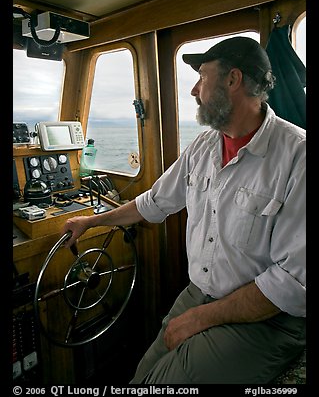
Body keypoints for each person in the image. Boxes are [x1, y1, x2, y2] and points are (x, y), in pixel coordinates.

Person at [60, 36, 306, 384]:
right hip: (198, 293)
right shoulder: (204, 146)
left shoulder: (298, 156)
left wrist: (201, 319)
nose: (194, 90)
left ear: (232, 80)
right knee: (141, 377)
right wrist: (92, 220)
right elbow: (154, 202)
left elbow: (290, 283)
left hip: (268, 317)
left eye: (202, 77)